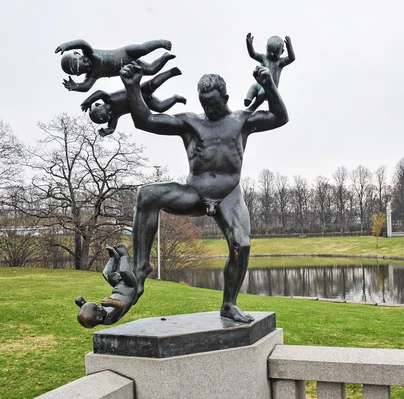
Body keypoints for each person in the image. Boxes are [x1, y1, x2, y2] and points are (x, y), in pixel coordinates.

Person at [120, 62, 288, 323]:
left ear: (226, 98)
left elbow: (280, 117)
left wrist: (268, 85)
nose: (210, 109)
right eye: (205, 104)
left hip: (229, 194)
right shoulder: (190, 122)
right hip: (195, 192)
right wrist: (132, 87)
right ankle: (140, 268)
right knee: (146, 194)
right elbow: (146, 120)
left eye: (215, 104)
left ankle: (229, 305)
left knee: (241, 245)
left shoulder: (241, 121)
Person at [81, 67, 186, 136]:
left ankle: (170, 73)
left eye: (107, 111)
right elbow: (112, 127)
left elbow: (99, 92)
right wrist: (107, 131)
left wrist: (88, 101)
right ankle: (175, 98)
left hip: (137, 90)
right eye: (109, 116)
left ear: (99, 104)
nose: (111, 113)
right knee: (160, 107)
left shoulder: (109, 99)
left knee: (153, 84)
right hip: (142, 102)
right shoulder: (115, 116)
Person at [55, 39, 174, 92]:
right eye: (82, 68)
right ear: (79, 74)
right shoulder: (93, 75)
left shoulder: (90, 53)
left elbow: (83, 43)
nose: (87, 64)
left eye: (83, 61)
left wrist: (68, 45)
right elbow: (86, 87)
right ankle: (165, 57)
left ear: (78, 54)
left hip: (126, 53)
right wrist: (76, 86)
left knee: (142, 49)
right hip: (130, 67)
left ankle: (160, 43)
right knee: (151, 70)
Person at [75, 244, 137, 328]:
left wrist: (82, 304)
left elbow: (89, 312)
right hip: (129, 288)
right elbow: (121, 306)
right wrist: (111, 302)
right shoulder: (109, 318)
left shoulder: (97, 315)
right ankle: (124, 255)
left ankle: (114, 257)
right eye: (98, 308)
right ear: (99, 317)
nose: (99, 306)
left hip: (118, 287)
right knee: (124, 272)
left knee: (106, 274)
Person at [244, 33, 295, 110]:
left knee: (262, 91)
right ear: (266, 48)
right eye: (269, 51)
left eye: (276, 52)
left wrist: (289, 46)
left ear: (282, 52)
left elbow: (292, 58)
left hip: (270, 89)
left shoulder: (280, 62)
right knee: (254, 86)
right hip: (260, 84)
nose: (272, 54)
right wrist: (249, 44)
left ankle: (253, 107)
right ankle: (248, 99)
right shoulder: (263, 58)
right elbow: (253, 54)